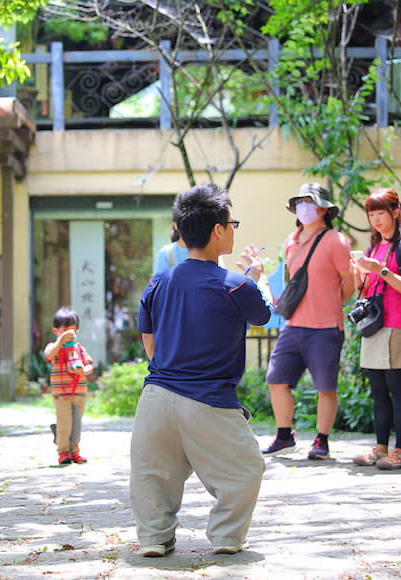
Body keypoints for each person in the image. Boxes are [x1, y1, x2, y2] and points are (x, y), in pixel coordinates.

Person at [131, 183, 272, 557]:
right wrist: (257, 277)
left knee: (152, 474)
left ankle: (154, 538)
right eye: (232, 223)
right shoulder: (235, 283)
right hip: (209, 401)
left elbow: (150, 343)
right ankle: (226, 536)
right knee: (246, 468)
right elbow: (265, 315)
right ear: (218, 230)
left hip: (155, 398)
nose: (233, 229)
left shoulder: (159, 281)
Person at [260, 183, 353, 460]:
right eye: (299, 202)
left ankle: (321, 441)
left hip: (326, 328)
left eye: (309, 202)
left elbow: (349, 284)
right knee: (276, 380)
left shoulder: (336, 241)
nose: (303, 207)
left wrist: (331, 304)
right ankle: (284, 435)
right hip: (294, 325)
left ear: (324, 209)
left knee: (325, 387)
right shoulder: (292, 241)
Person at [349, 188, 401, 471]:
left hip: (400, 325)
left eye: (380, 212)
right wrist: (359, 277)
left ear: (395, 212)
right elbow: (368, 291)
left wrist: (380, 269)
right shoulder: (373, 247)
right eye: (371, 214)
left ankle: (400, 452)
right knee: (378, 390)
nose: (376, 219)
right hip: (375, 325)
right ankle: (380, 448)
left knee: (397, 388)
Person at [44, 305, 94, 465]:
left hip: (79, 391)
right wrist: (61, 340)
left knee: (76, 424)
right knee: (65, 423)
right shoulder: (54, 347)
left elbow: (90, 365)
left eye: (72, 331)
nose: (69, 335)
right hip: (61, 394)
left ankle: (75, 451)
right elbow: (49, 355)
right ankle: (63, 451)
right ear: (56, 331)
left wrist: (84, 371)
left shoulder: (79, 348)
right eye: (65, 331)